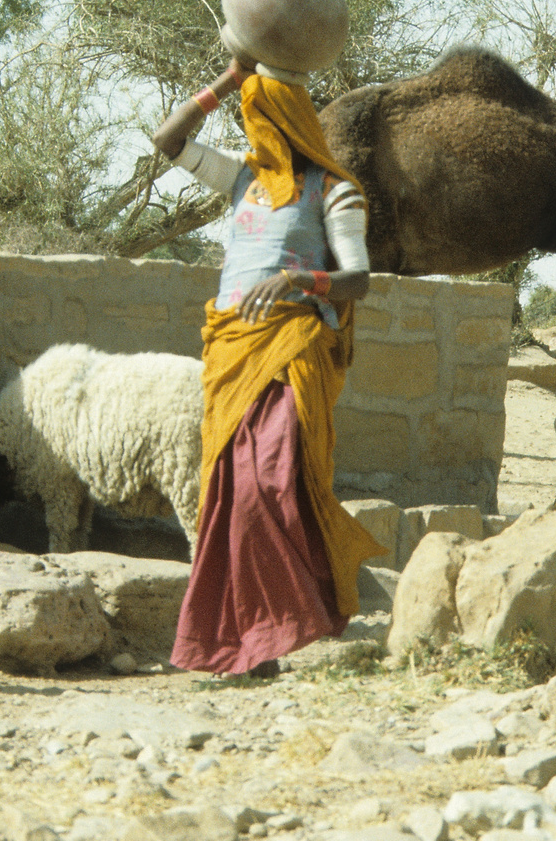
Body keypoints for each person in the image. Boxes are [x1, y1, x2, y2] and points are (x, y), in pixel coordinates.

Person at [151, 54, 384, 678]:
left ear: (290, 124)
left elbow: (358, 281)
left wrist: (296, 279)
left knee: (271, 485)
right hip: (232, 352)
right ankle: (250, 647)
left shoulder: (335, 192)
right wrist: (228, 80)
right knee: (227, 495)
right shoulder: (242, 181)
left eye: (262, 119)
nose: (254, 134)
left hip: (293, 350)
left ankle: (287, 623)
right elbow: (168, 141)